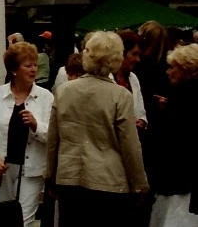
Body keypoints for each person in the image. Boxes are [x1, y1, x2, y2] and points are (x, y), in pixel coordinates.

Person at [46, 31, 148, 226]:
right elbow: (130, 145)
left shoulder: (64, 91)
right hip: (109, 179)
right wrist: (139, 183)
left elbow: (53, 139)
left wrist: (50, 176)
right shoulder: (120, 95)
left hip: (70, 177)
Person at [0, 41, 54, 225]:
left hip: (31, 170)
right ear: (14, 69)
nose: (33, 69)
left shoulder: (46, 97)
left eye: (35, 65)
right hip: (2, 169)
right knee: (2, 220)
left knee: (24, 222)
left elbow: (54, 136)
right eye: (28, 65)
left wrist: (36, 125)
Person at [147, 43, 198, 227]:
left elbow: (172, 138)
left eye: (172, 67)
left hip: (177, 181)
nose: (168, 72)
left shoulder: (182, 98)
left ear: (186, 69)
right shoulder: (181, 96)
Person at [114, 30, 148, 129]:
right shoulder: (104, 79)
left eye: (139, 55)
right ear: (121, 54)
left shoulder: (133, 78)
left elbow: (141, 111)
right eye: (134, 54)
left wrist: (142, 120)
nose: (138, 59)